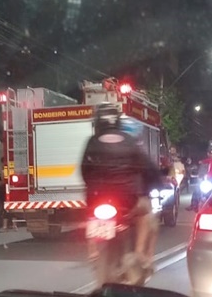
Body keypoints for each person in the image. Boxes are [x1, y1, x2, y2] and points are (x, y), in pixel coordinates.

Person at [81, 103, 161, 286]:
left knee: (90, 215)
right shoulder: (130, 141)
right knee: (145, 213)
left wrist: (93, 190)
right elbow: (150, 169)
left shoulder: (92, 142)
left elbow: (84, 171)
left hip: (97, 199)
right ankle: (140, 254)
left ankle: (92, 250)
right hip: (128, 200)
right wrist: (155, 183)